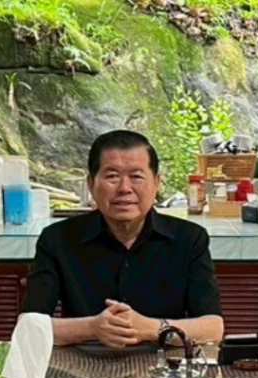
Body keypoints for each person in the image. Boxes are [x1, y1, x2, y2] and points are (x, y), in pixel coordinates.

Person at [24, 130, 224, 349]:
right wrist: (92, 328)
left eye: (136, 176)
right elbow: (29, 326)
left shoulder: (189, 239)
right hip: (82, 363)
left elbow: (213, 328)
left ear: (156, 183)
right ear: (91, 184)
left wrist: (150, 329)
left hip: (165, 364)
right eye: (112, 176)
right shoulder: (58, 239)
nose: (124, 188)